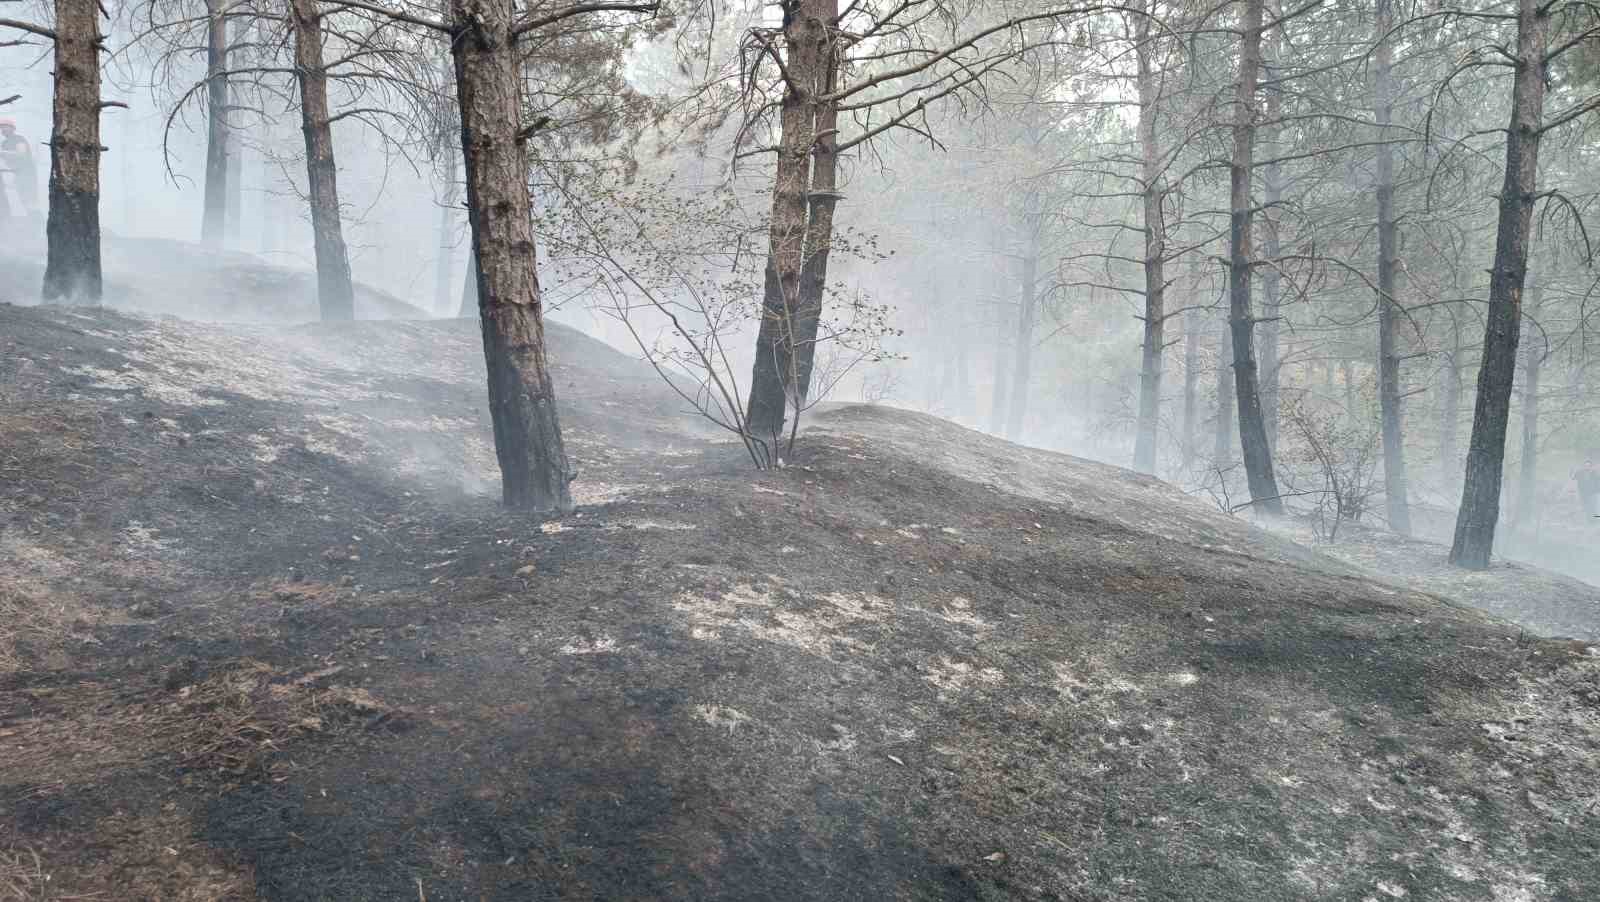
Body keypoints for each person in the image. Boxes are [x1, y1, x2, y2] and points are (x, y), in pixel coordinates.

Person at [0, 118, 38, 215]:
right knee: (23, 199)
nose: (3, 129)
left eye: (5, 127)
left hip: (27, 172)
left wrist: (3, 153)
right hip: (17, 173)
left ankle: (36, 220)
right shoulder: (4, 143)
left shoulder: (18, 139)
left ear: (12, 128)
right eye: (2, 127)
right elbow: (6, 161)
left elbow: (22, 154)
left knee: (29, 199)